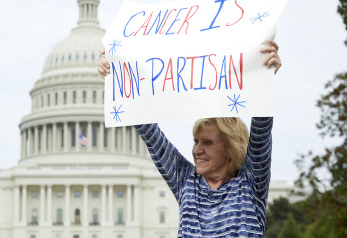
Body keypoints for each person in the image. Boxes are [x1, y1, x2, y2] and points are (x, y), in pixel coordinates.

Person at [98, 41, 281, 237]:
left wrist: (264, 76)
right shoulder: (187, 182)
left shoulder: (250, 184)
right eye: (196, 141)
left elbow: (261, 132)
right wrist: (117, 75)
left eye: (208, 142)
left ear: (231, 148)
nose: (196, 150)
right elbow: (150, 134)